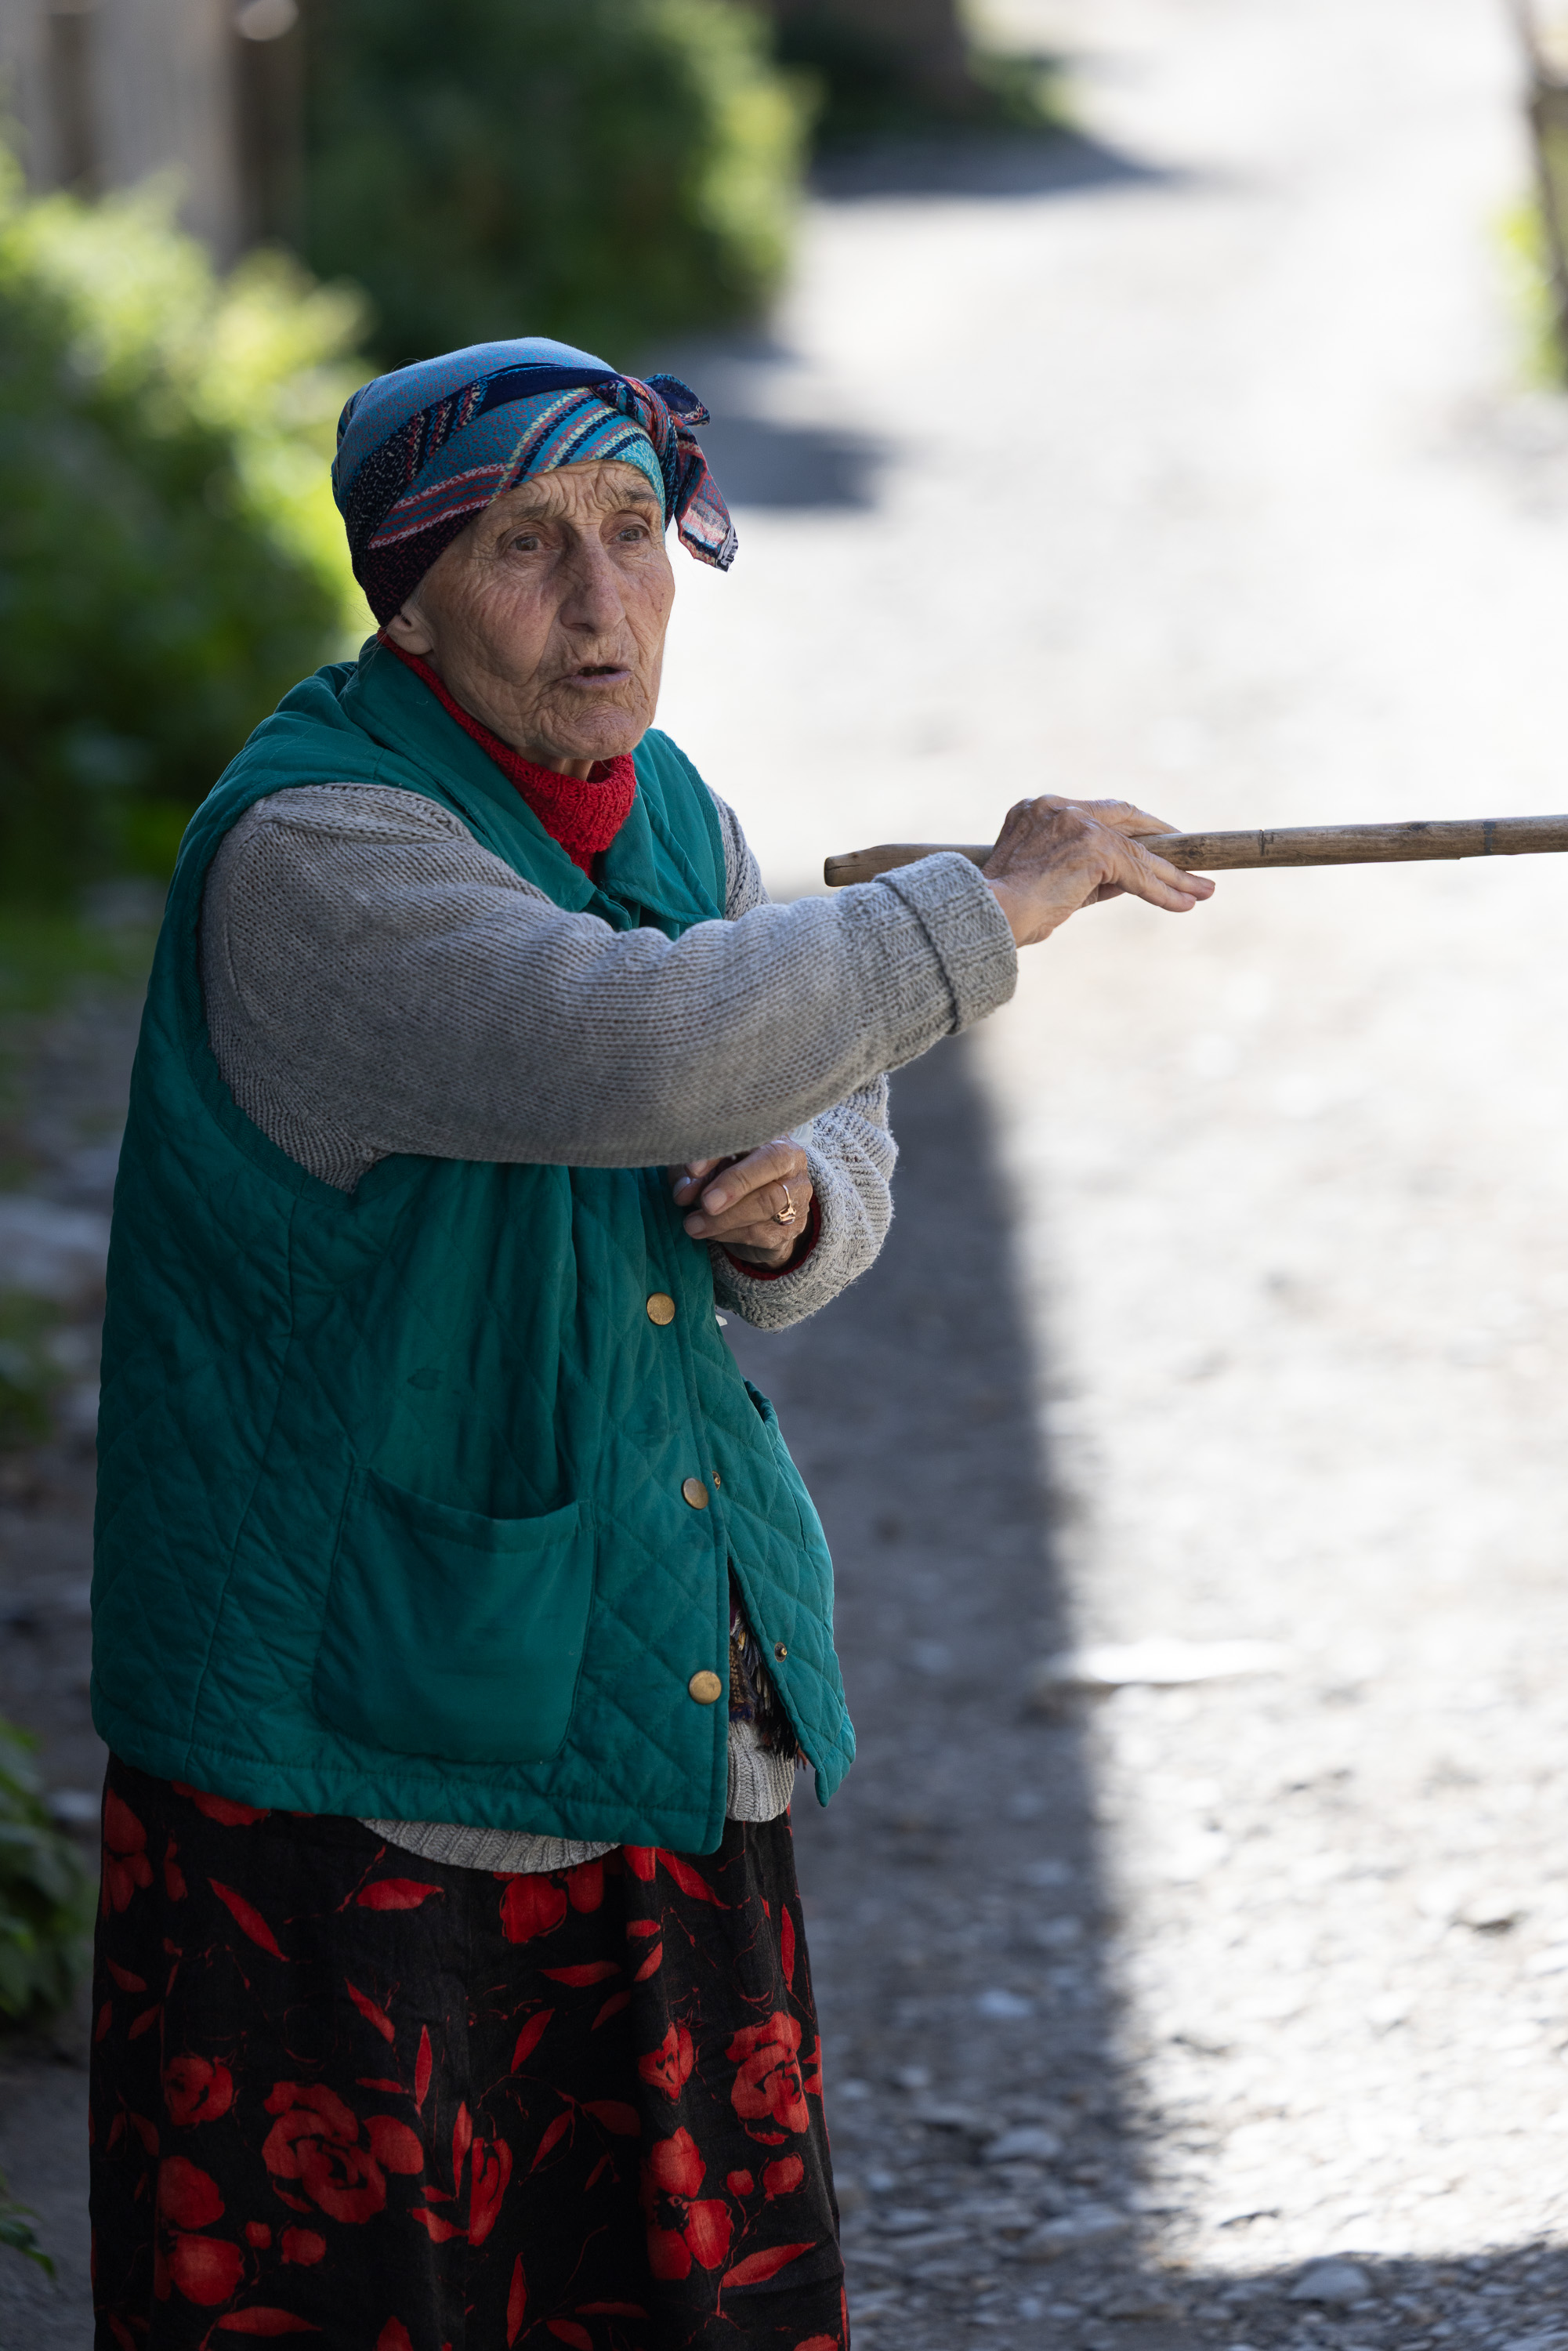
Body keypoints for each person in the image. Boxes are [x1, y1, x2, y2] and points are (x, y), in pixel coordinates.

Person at [87, 335, 1212, 2349]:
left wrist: (801, 1193)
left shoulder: (670, 809)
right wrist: (981, 904)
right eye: (525, 547)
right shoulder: (317, 851)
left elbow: (805, 1081)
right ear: (407, 602)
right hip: (360, 1709)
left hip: (640, 1647)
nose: (603, 603)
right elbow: (630, 1045)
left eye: (631, 531)